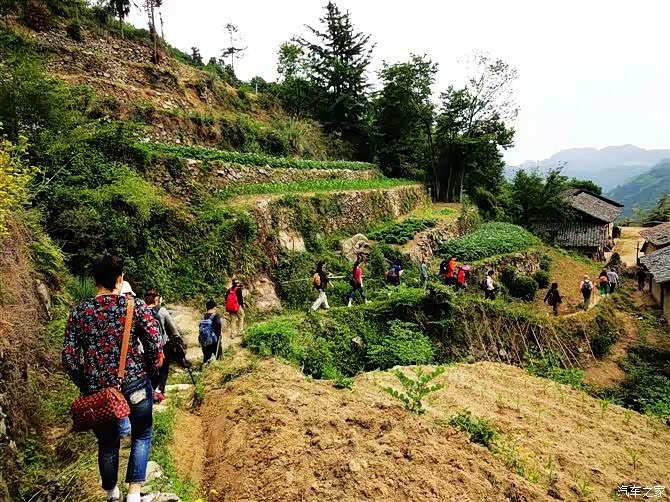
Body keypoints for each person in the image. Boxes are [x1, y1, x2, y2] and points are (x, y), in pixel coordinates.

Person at [62, 255, 164, 502]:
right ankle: (134, 494)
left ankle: (112, 494)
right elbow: (155, 342)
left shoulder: (81, 311)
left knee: (107, 442)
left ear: (94, 280)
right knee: (142, 434)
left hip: (99, 391)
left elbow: (69, 358)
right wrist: (149, 369)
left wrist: (87, 384)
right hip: (134, 383)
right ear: (120, 279)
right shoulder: (134, 306)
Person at [145, 290, 182, 403]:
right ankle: (160, 391)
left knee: (150, 369)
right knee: (164, 368)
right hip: (162, 344)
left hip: (146, 346)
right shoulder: (162, 311)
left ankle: (150, 391)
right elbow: (172, 326)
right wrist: (177, 337)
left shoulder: (142, 311)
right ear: (156, 298)